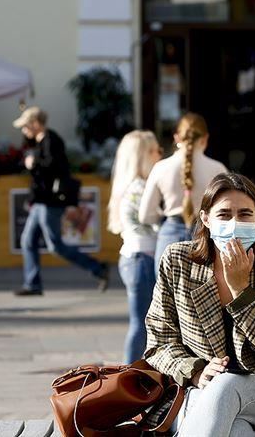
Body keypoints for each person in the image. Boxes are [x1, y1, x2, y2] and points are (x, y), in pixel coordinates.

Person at [144, 173, 255, 436]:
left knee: (225, 386)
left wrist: (241, 291)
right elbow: (159, 343)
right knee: (236, 431)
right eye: (224, 215)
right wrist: (195, 372)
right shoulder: (178, 260)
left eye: (245, 215)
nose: (234, 223)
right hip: (194, 390)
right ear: (206, 219)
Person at [13, 106, 109, 296]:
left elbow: (53, 167)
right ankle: (32, 284)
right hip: (41, 202)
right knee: (28, 241)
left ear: (35, 123)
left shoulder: (51, 140)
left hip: (50, 202)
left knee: (56, 246)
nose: (24, 130)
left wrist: (33, 163)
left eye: (26, 126)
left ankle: (98, 268)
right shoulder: (41, 142)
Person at [139, 113, 227, 271]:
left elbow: (145, 215)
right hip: (206, 237)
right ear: (205, 138)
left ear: (177, 138)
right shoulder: (218, 169)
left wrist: (162, 216)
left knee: (166, 286)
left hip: (169, 236)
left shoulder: (161, 168)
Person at [107, 130, 162, 364]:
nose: (160, 154)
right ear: (142, 156)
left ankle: (131, 373)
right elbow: (156, 223)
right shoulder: (140, 188)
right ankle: (128, 375)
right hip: (142, 258)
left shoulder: (128, 186)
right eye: (155, 150)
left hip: (135, 257)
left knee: (141, 324)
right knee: (142, 324)